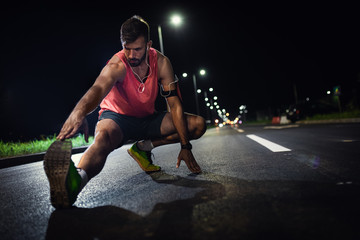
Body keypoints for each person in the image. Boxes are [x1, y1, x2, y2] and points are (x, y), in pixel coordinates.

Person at [43, 15, 206, 209]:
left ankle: (143, 147)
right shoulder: (117, 64)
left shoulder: (161, 63)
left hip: (147, 119)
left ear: (149, 44)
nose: (131, 55)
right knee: (102, 139)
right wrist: (79, 113)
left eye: (137, 49)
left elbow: (175, 105)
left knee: (197, 125)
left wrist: (185, 146)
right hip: (117, 118)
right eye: (126, 48)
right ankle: (74, 182)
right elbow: (97, 89)